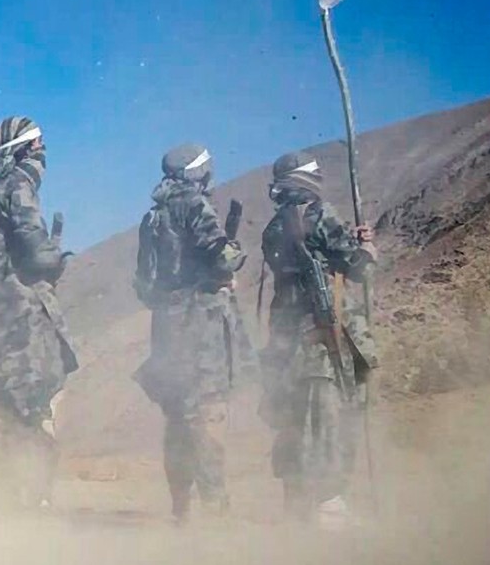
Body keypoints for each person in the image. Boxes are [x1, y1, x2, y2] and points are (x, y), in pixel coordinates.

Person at [0, 116, 78, 510]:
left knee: (14, 417)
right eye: (38, 147)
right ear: (24, 151)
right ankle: (29, 502)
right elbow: (35, 252)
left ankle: (12, 504)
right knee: (35, 413)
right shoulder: (16, 187)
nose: (42, 155)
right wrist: (54, 258)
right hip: (22, 322)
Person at [131, 143, 250, 522]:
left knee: (179, 418)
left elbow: (144, 285)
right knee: (207, 415)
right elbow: (222, 255)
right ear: (199, 172)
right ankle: (216, 509)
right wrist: (231, 261)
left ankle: (182, 507)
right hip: (200, 326)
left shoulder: (152, 217)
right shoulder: (194, 205)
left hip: (167, 328)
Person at [258, 151, 377, 524]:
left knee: (298, 420)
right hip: (328, 338)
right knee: (331, 420)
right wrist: (368, 250)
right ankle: (329, 505)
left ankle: (298, 505)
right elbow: (355, 268)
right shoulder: (320, 214)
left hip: (291, 341)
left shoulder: (274, 228)